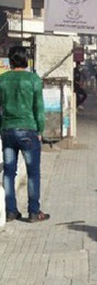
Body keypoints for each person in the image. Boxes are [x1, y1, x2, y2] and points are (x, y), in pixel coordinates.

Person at [0, 46, 49, 223]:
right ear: (26, 60)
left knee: (8, 172)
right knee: (33, 173)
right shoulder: (33, 80)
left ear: (10, 61)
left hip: (7, 130)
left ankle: (11, 211)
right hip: (28, 129)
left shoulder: (2, 80)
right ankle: (34, 212)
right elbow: (39, 109)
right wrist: (40, 130)